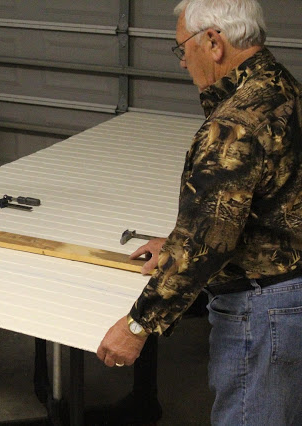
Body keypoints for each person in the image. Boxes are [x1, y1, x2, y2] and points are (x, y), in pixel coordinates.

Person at [96, 0, 302, 424]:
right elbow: (266, 201)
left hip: (263, 309)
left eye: (182, 48)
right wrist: (178, 242)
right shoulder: (283, 87)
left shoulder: (234, 125)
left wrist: (137, 327)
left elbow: (210, 240)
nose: (182, 62)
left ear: (213, 42)